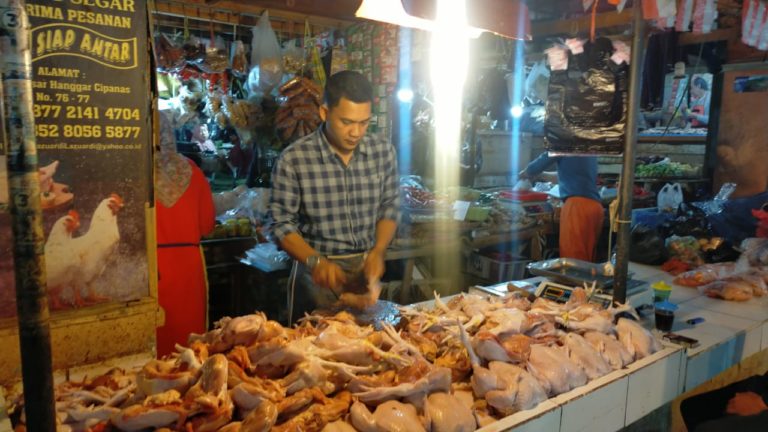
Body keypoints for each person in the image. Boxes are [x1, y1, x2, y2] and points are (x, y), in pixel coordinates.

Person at [270, 71, 400, 322]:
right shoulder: (294, 159)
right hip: (314, 276)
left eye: (364, 123)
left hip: (365, 273)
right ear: (324, 113)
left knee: (369, 351)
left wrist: (378, 251)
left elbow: (390, 205)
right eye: (347, 122)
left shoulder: (382, 151)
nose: (356, 132)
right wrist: (315, 261)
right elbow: (280, 225)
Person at [155, 110, 215, 357]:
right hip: (187, 269)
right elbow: (207, 226)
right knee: (187, 348)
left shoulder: (130, 172)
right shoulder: (192, 171)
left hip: (147, 268)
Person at [519, 153, 603, 262]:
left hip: (577, 207)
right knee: (586, 261)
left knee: (573, 261)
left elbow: (543, 159)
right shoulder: (586, 146)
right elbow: (568, 175)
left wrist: (526, 172)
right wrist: (541, 174)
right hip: (594, 207)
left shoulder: (564, 141)